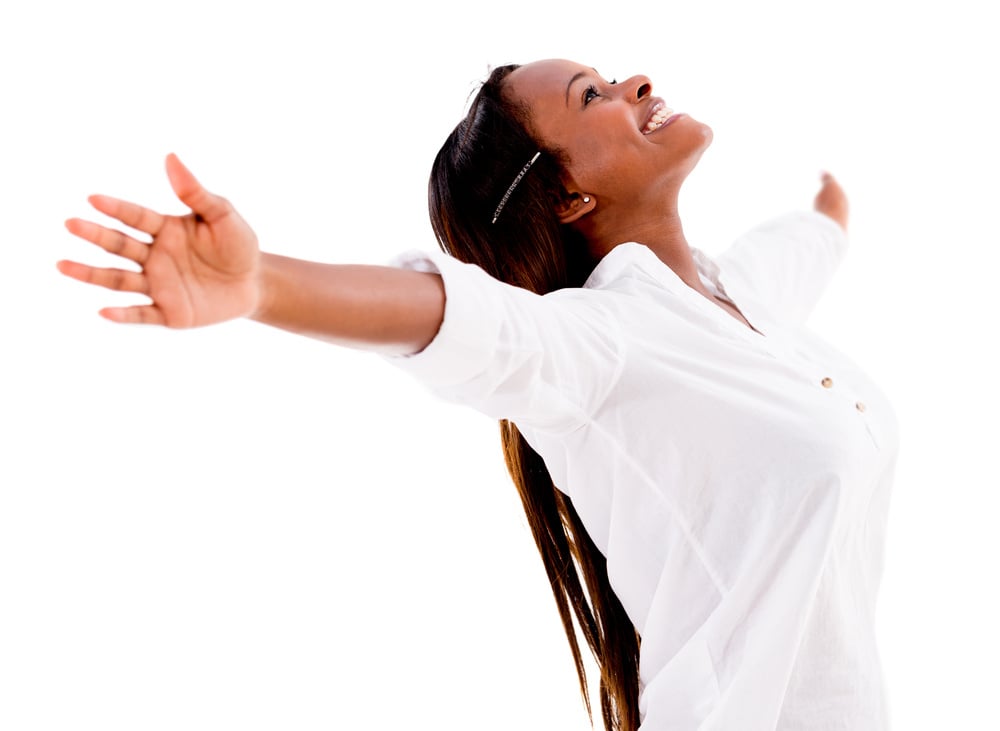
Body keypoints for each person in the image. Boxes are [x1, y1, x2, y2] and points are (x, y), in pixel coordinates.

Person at [58, 59, 897, 731]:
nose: (637, 82)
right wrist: (262, 283)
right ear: (569, 195)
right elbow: (455, 318)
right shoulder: (598, 344)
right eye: (593, 95)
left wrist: (835, 191)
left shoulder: (739, 299)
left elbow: (808, 241)